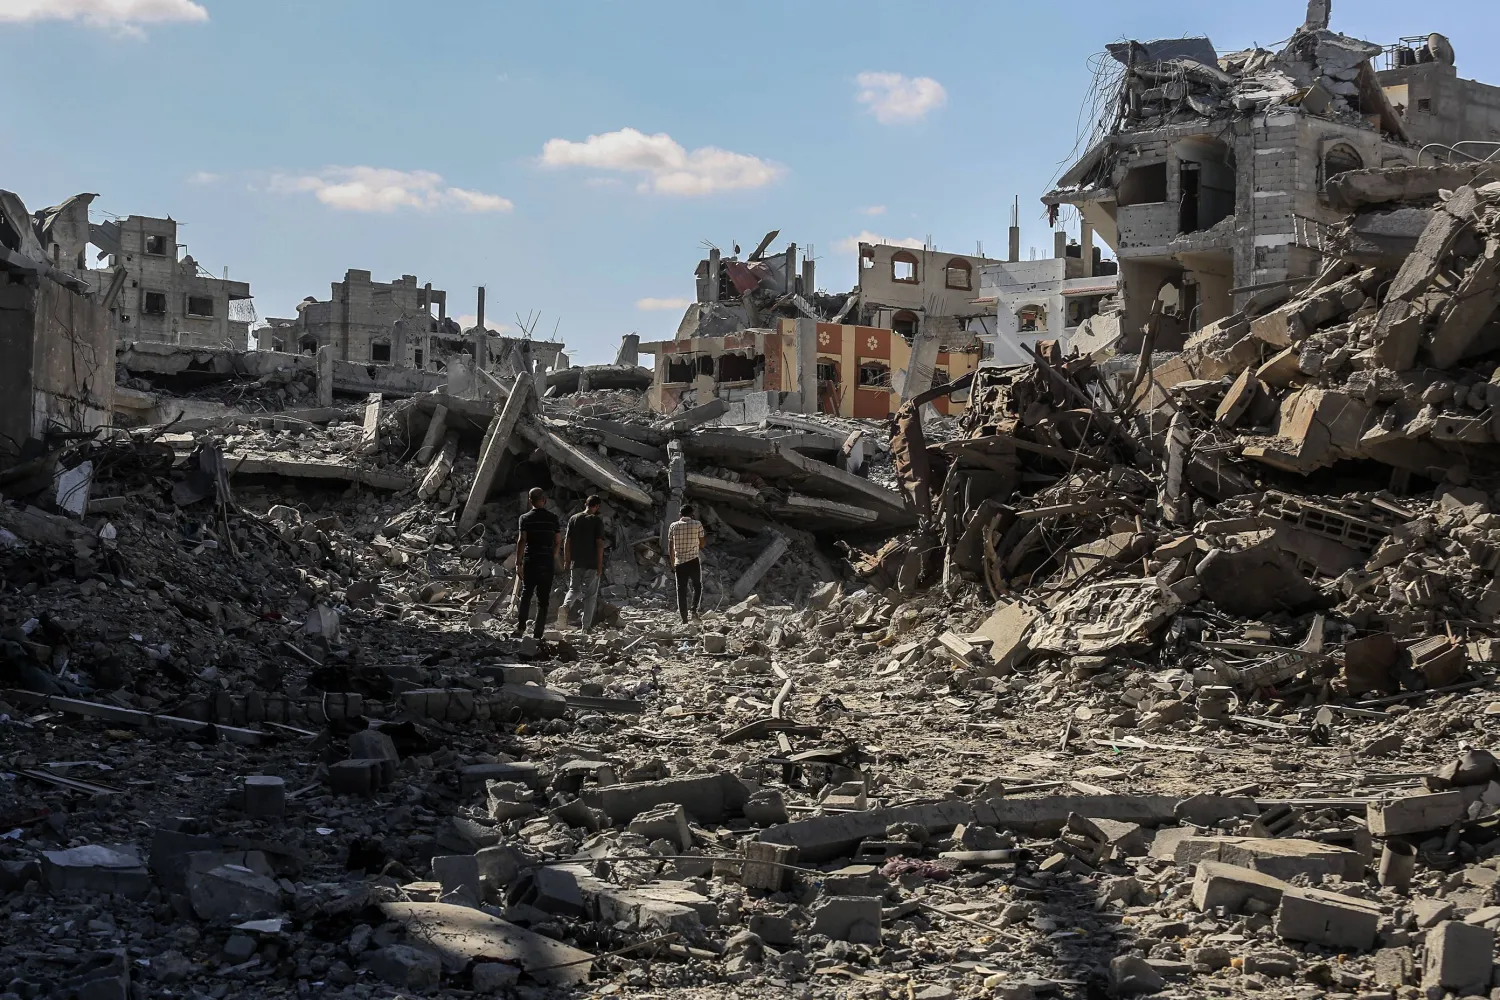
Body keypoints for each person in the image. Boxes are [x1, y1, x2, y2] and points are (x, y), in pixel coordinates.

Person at [512, 487, 560, 639]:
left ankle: (520, 628)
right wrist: (553, 555)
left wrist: (518, 562)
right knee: (543, 599)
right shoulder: (553, 518)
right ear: (544, 500)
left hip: (531, 559)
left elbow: (522, 540)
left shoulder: (525, 518)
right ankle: (538, 634)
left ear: (529, 500)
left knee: (526, 593)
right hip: (547, 560)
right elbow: (558, 540)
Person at [562, 494, 605, 632]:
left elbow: (567, 541)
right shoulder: (596, 521)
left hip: (576, 562)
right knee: (590, 596)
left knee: (574, 589)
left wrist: (567, 560)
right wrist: (599, 565)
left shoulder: (573, 519)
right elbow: (599, 544)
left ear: (585, 504)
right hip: (592, 563)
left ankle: (566, 606)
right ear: (597, 506)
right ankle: (585, 628)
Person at [667, 503, 707, 624]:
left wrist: (672, 562)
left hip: (679, 562)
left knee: (681, 590)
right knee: (697, 586)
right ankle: (693, 611)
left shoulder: (673, 526)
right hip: (693, 560)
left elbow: (670, 547)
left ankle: (684, 619)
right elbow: (702, 544)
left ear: (680, 514)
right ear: (692, 514)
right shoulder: (697, 524)